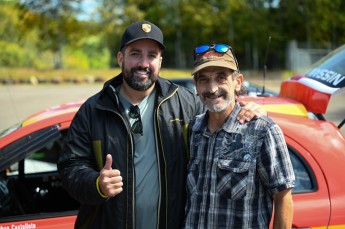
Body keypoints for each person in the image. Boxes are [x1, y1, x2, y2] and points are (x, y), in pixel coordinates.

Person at [57, 21, 266, 229]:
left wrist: (252, 110)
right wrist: (97, 184)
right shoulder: (94, 109)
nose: (144, 63)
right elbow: (70, 167)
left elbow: (222, 121)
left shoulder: (186, 103)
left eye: (152, 55)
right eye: (135, 53)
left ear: (160, 61)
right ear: (121, 58)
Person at [183, 44, 295, 229]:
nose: (212, 88)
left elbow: (283, 197)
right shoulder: (193, 130)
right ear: (195, 85)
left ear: (238, 82)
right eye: (204, 80)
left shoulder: (262, 130)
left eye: (221, 78)